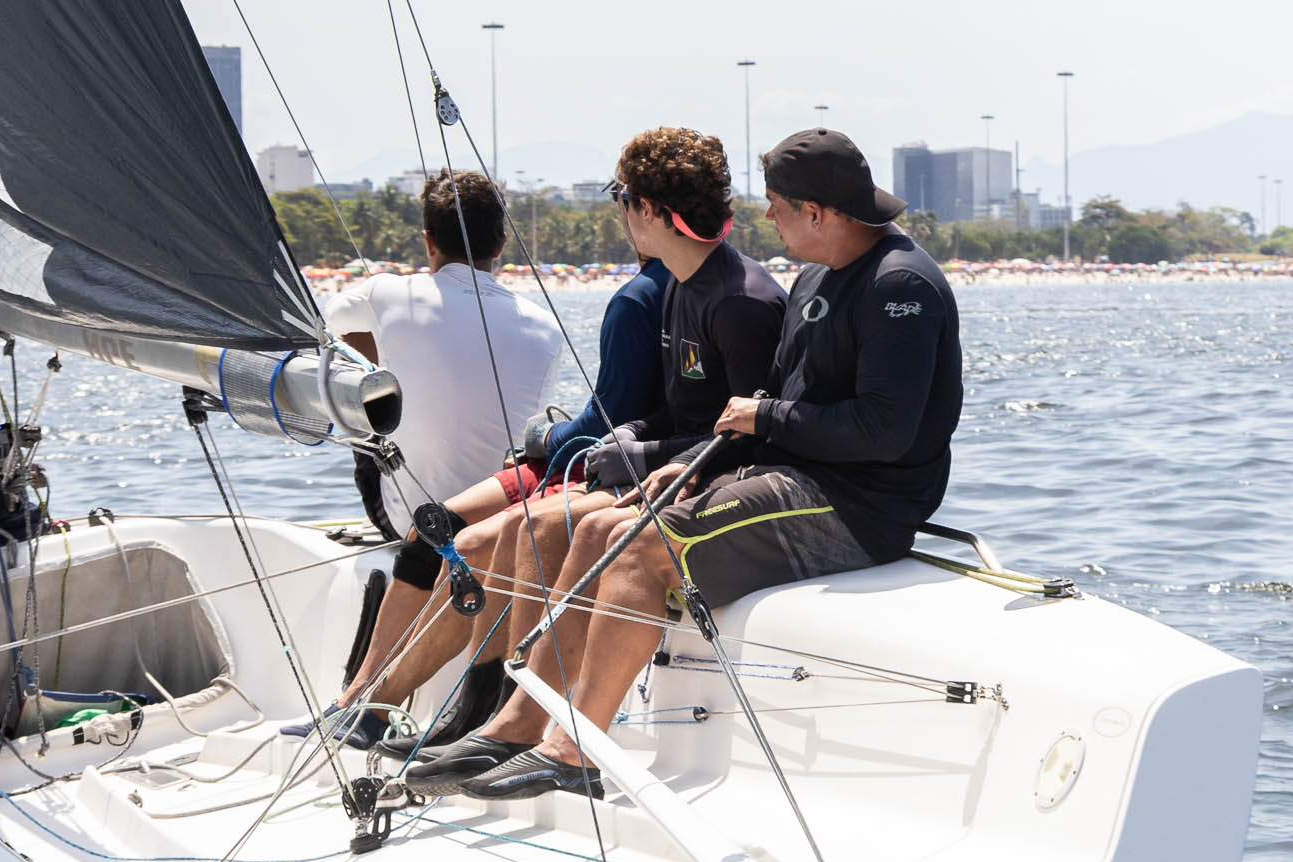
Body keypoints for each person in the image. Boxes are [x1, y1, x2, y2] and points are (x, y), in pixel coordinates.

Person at [454, 126, 963, 800]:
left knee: (643, 550)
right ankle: (520, 724)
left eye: (777, 205)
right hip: (793, 475)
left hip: (857, 506)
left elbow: (883, 431)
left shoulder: (900, 286)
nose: (766, 217)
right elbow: (770, 403)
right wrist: (697, 460)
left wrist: (764, 420)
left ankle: (574, 752)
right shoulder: (817, 274)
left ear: (816, 213)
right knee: (601, 528)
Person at [391, 126, 786, 793]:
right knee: (531, 526)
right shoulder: (684, 287)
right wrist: (628, 436)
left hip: (716, 478)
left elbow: (749, 438)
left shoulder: (739, 301)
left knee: (551, 522)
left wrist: (643, 449)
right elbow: (681, 411)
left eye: (621, 197)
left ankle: (524, 723)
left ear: (649, 209)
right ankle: (514, 716)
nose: (619, 210)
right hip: (676, 466)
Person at [321, 243, 670, 757]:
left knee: (483, 543)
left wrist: (542, 437)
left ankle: (461, 707)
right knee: (433, 526)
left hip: (599, 459)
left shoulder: (636, 299)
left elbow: (605, 418)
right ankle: (364, 697)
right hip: (585, 455)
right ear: (500, 246)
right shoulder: (614, 303)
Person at [283, 168, 564, 748]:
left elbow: (325, 328)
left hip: (412, 512)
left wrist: (392, 361)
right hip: (497, 509)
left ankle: (359, 701)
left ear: (429, 242)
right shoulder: (544, 326)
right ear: (501, 244)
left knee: (364, 382)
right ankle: (372, 702)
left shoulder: (385, 293)